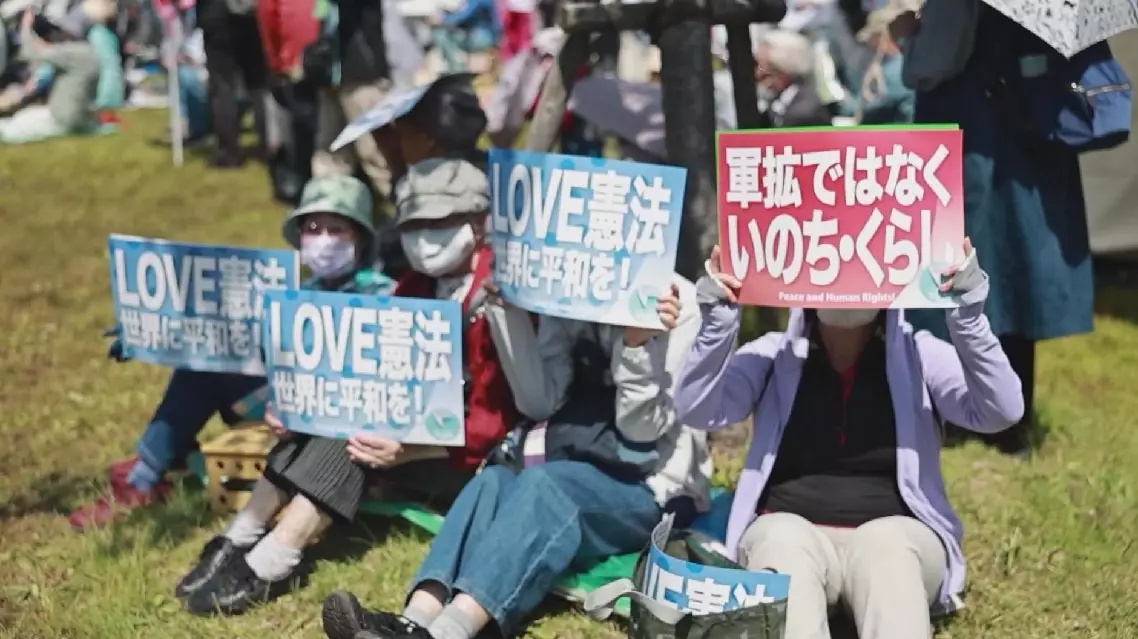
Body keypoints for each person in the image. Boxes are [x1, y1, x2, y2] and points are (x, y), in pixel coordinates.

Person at [671, 242, 1024, 639]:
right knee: (781, 537)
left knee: (884, 544)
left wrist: (968, 314)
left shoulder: (919, 354)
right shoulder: (773, 355)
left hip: (896, 538)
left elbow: (1000, 411)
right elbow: (697, 408)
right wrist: (718, 316)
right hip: (792, 531)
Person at [68, 175, 395, 532]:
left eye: (338, 229)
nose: (324, 240)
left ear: (361, 239)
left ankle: (149, 473)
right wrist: (153, 334)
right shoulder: (298, 289)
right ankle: (149, 472)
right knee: (202, 366)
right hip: (279, 402)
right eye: (314, 228)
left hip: (330, 419)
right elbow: (239, 338)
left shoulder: (385, 296)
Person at [899, 3, 1094, 458]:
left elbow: (932, 63)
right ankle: (1013, 422)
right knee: (1018, 274)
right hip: (1031, 143)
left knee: (958, 273)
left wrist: (909, 33)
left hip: (973, 148)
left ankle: (958, 412)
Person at [308, 0, 398, 204]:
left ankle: (403, 212)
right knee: (330, 151)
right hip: (330, 73)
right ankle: (328, 210)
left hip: (362, 75)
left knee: (375, 152)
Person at [0, 8, 99, 144]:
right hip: (82, 118)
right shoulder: (87, 52)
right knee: (24, 116)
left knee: (16, 123)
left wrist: (25, 26)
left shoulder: (72, 53)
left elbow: (30, 53)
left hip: (63, 120)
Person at [194, 0, 268, 167]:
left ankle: (228, 152)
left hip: (217, 16)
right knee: (258, 84)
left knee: (222, 86)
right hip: (251, 15)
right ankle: (268, 143)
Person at [837, 0, 915, 124]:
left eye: (873, 38)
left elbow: (870, 103)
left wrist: (842, 105)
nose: (870, 44)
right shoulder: (889, 64)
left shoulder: (897, 68)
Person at [755, 28, 832, 128]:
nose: (757, 74)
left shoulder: (805, 114)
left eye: (759, 65)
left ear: (780, 68)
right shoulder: (776, 106)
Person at [431, 0, 499, 74]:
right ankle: (456, 68)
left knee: (440, 34)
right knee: (441, 34)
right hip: (480, 34)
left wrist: (444, 20)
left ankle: (456, 70)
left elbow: (466, 13)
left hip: (483, 36)